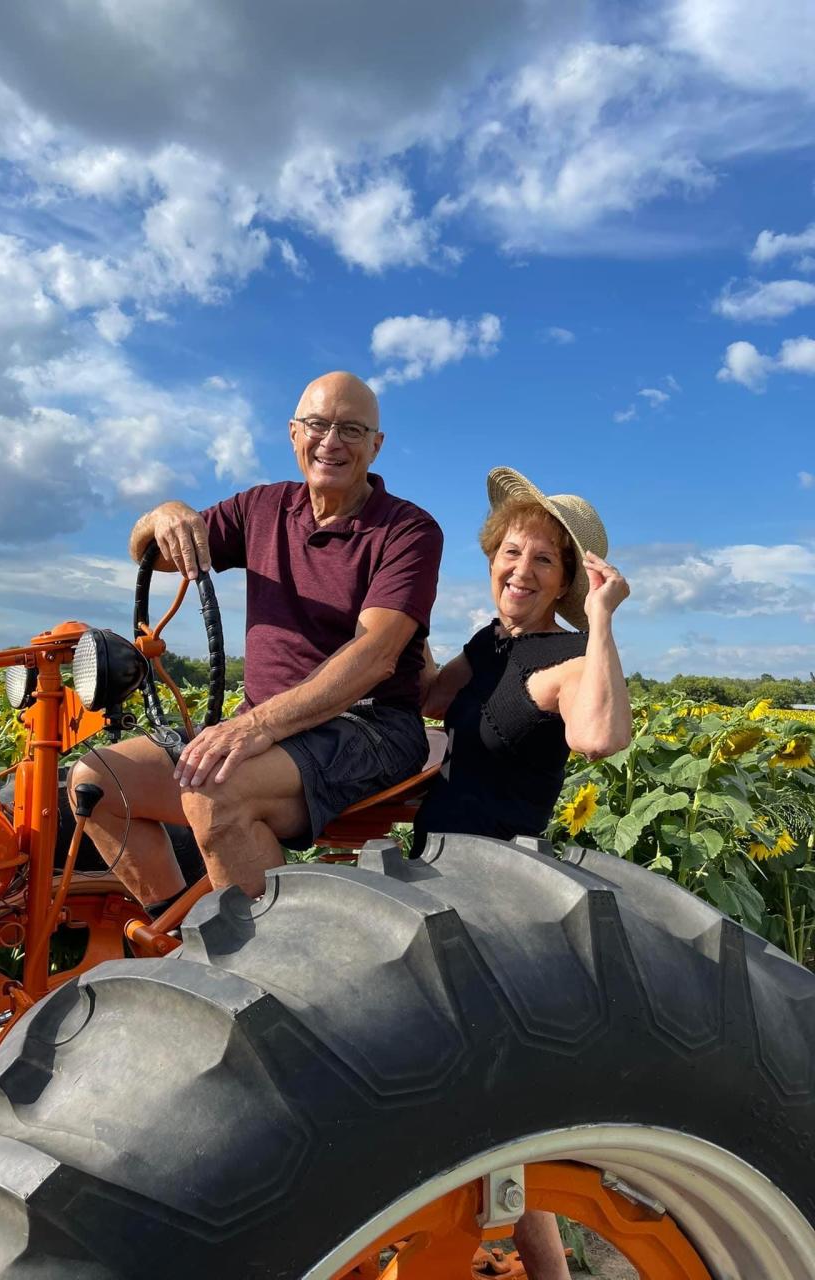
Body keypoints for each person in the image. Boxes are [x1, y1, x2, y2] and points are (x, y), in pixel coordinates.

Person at [70, 371, 442, 904]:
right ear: (294, 433)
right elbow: (154, 552)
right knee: (99, 780)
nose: (331, 442)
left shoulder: (409, 530)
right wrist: (163, 514)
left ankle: (277, 973)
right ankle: (178, 933)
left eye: (352, 430)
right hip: (268, 727)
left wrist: (256, 727)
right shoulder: (261, 508)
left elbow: (376, 656)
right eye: (317, 425)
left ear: (376, 446)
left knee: (214, 796)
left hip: (369, 724)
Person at [415, 467, 632, 1280]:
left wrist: (603, 620)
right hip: (433, 873)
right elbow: (433, 701)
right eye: (513, 551)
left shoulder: (567, 655)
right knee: (474, 1096)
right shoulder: (488, 644)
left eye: (546, 561)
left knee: (482, 1092)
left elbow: (601, 736)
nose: (522, 570)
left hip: (493, 892)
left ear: (569, 581)